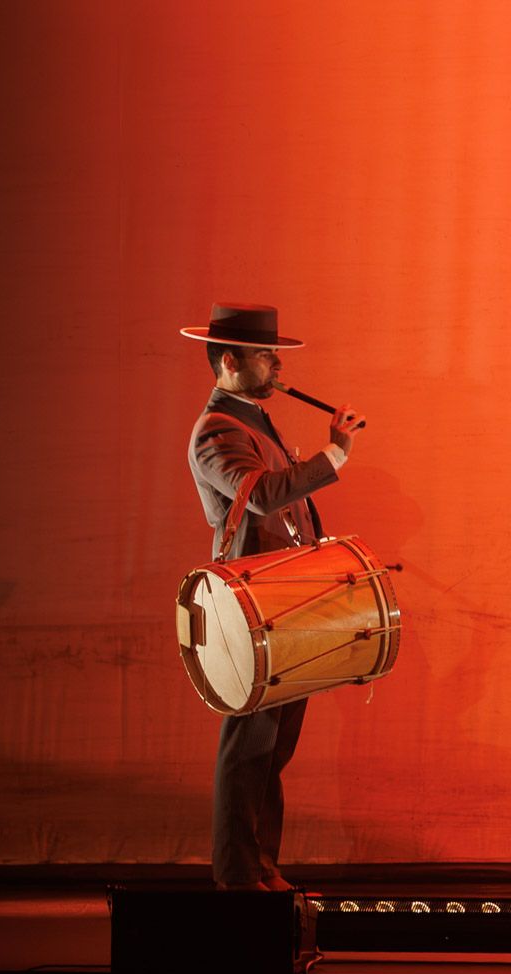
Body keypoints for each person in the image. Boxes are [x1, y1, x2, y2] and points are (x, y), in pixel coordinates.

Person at [181, 303, 365, 890]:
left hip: (282, 603)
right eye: (265, 354)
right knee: (250, 746)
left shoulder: (254, 421)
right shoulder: (217, 431)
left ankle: (260, 870)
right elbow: (260, 496)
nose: (276, 364)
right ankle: (238, 877)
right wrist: (333, 453)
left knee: (272, 748)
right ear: (230, 361)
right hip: (252, 607)